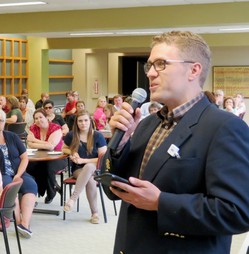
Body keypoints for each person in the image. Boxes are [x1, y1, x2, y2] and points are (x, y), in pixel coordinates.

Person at [101, 31, 249, 253]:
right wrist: (120, 143)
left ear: (194, 70)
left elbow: (237, 212)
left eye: (161, 64)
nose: (150, 73)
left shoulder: (224, 127)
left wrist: (161, 202)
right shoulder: (146, 124)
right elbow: (115, 190)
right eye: (149, 65)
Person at [62, 110, 107, 224]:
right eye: (80, 121)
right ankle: (95, 213)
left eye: (86, 120)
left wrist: (83, 160)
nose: (83, 123)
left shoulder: (98, 136)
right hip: (78, 170)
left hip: (96, 170)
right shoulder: (71, 135)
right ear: (76, 122)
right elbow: (63, 148)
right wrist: (72, 152)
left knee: (90, 168)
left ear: (90, 121)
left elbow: (103, 159)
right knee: (89, 175)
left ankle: (73, 199)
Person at [0, 109, 37, 239]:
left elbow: (25, 157)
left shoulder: (12, 136)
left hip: (19, 172)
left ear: (5, 122)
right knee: (11, 188)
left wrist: (19, 174)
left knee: (31, 185)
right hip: (2, 175)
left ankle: (25, 224)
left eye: (1, 121)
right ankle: (19, 222)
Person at [26, 109, 67, 204]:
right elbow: (29, 144)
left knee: (49, 167)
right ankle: (34, 194)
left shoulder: (55, 128)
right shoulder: (33, 128)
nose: (38, 120)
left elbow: (51, 146)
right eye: (36, 118)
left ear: (46, 118)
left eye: (41, 117)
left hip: (58, 157)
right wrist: (44, 144)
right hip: (40, 156)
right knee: (29, 166)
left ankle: (51, 193)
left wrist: (35, 141)